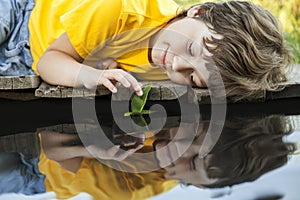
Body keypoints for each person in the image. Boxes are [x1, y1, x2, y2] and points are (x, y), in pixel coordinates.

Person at [0, 0, 293, 101]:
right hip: (22, 21)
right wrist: (89, 74)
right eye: (192, 48)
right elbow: (49, 62)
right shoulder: (123, 10)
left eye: (193, 78)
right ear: (198, 12)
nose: (178, 66)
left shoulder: (169, 68)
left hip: (24, 66)